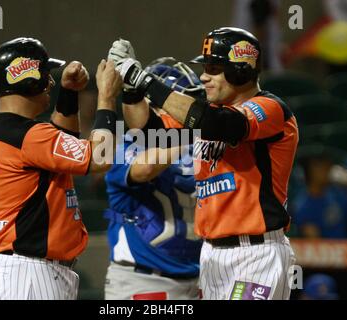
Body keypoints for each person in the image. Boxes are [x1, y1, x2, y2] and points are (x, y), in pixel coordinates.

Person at [110, 27, 298, 300]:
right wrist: (131, 88)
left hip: (256, 255)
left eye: (213, 68)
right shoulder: (209, 115)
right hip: (211, 256)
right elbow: (146, 128)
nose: (203, 77)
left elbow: (218, 125)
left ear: (240, 70)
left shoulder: (270, 108)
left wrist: (145, 79)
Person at [0, 37, 122, 300]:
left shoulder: (10, 129)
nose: (50, 82)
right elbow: (101, 157)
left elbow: (60, 144)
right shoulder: (25, 134)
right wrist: (107, 96)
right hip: (30, 273)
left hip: (28, 271)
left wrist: (69, 93)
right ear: (26, 78)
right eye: (45, 74)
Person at [103, 56, 204, 300]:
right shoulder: (125, 144)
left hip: (200, 277)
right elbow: (146, 169)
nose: (189, 108)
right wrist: (190, 130)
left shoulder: (200, 145)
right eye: (183, 99)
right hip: (144, 280)